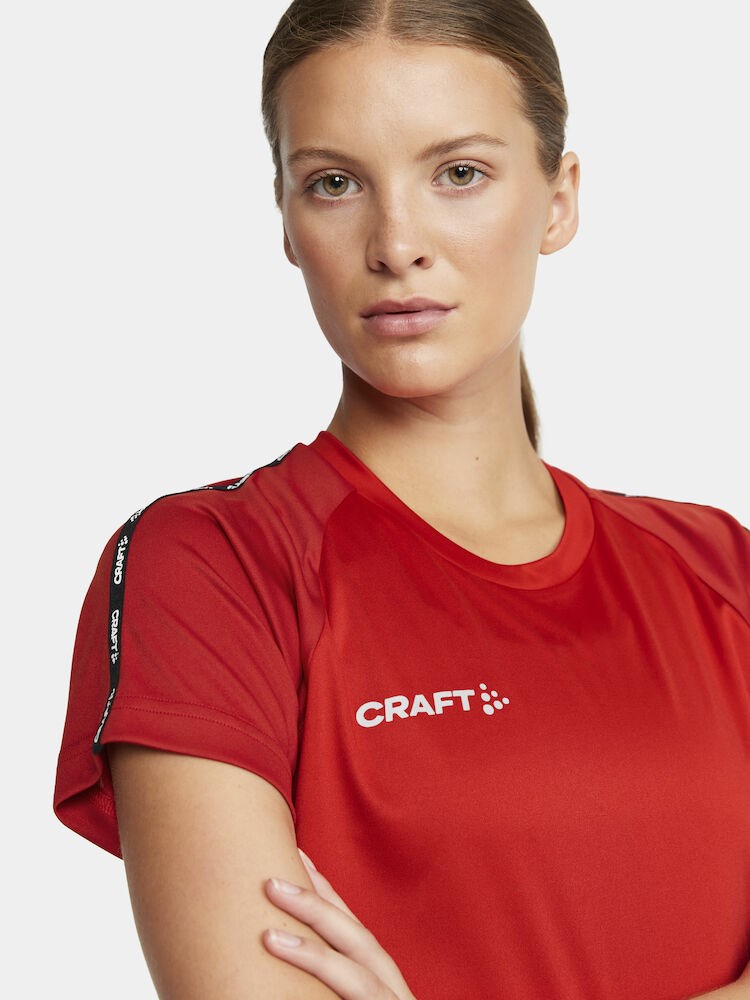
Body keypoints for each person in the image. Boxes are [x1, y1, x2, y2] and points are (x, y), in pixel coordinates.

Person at [53, 1, 750, 998]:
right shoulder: (216, 567)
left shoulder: (723, 568)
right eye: (335, 183)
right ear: (287, 219)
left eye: (458, 173)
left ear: (558, 200)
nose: (396, 242)